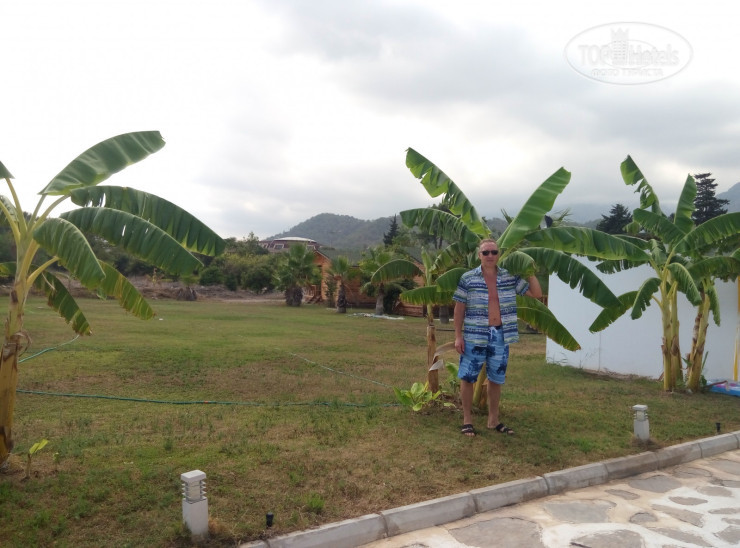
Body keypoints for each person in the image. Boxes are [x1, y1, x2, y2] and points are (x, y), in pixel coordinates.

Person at [453, 238, 542, 437]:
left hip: (501, 335)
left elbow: (536, 293)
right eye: (485, 252)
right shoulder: (468, 278)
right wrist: (458, 336)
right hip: (474, 335)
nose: (490, 256)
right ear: (479, 255)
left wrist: (530, 271)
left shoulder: (509, 277)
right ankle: (467, 420)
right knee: (467, 377)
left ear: (499, 254)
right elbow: (459, 309)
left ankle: (493, 420)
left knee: (496, 378)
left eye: (494, 252)